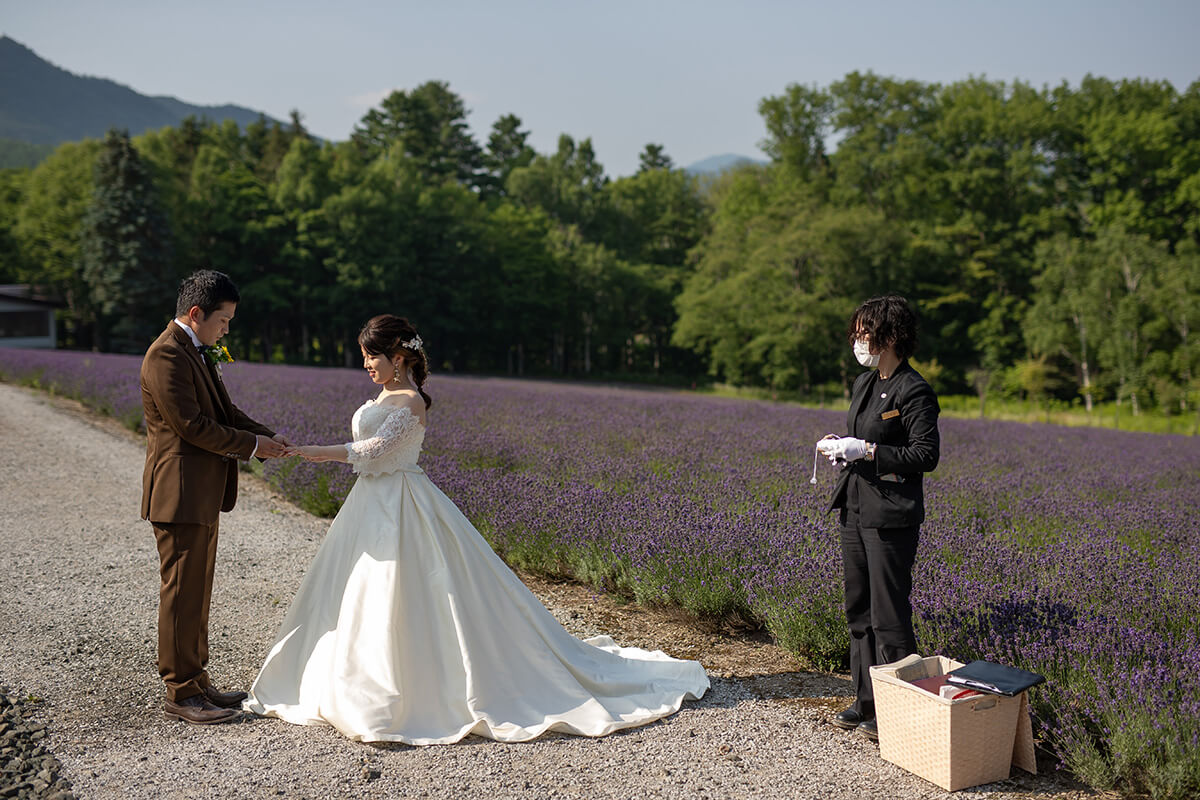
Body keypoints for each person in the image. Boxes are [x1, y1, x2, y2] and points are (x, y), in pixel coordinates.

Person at [243, 315, 708, 743]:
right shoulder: (385, 395)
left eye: (373, 356)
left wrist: (308, 451)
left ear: (399, 358)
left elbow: (370, 453)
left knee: (407, 590)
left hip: (402, 502)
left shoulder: (410, 402)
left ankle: (410, 687)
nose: (366, 364)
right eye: (364, 356)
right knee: (358, 591)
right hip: (369, 503)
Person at [140, 270, 291, 724]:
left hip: (201, 493)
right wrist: (250, 447)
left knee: (198, 589)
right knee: (181, 591)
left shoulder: (195, 351)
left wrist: (267, 436)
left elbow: (222, 411)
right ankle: (180, 692)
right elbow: (191, 426)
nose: (226, 330)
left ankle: (198, 680)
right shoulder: (166, 355)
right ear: (196, 314)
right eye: (223, 320)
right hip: (179, 493)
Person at [816, 295, 940, 741]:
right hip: (854, 508)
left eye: (864, 332)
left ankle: (899, 708)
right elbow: (862, 435)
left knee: (889, 617)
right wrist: (842, 445)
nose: (857, 339)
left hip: (890, 517)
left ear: (889, 336)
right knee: (859, 610)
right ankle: (866, 699)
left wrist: (868, 451)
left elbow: (926, 455)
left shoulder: (915, 390)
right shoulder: (864, 384)